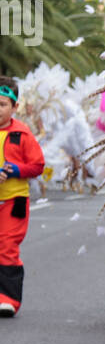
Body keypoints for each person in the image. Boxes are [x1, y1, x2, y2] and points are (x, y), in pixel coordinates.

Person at [0, 77, 45, 316]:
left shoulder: (22, 134)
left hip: (13, 200)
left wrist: (15, 170)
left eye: (2, 104)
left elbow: (37, 165)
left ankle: (7, 299)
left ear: (14, 107)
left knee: (7, 247)